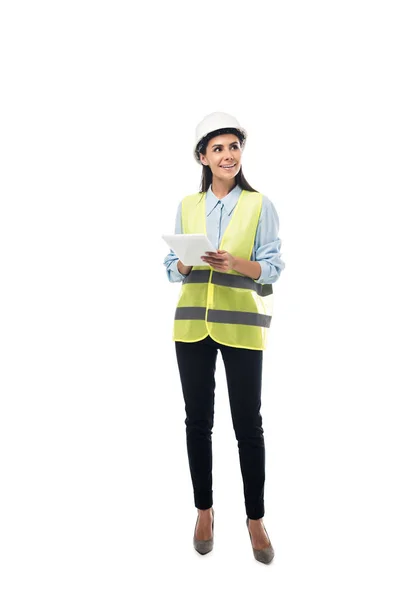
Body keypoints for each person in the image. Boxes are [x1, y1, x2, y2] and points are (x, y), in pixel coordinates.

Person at [163, 111, 285, 564]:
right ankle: (204, 511)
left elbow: (272, 267)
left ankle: (255, 519)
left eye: (234, 147)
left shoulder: (259, 205)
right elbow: (170, 267)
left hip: (240, 326)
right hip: (192, 326)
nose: (228, 155)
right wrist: (183, 264)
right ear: (203, 157)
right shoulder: (187, 205)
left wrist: (238, 264)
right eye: (218, 148)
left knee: (247, 426)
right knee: (198, 423)